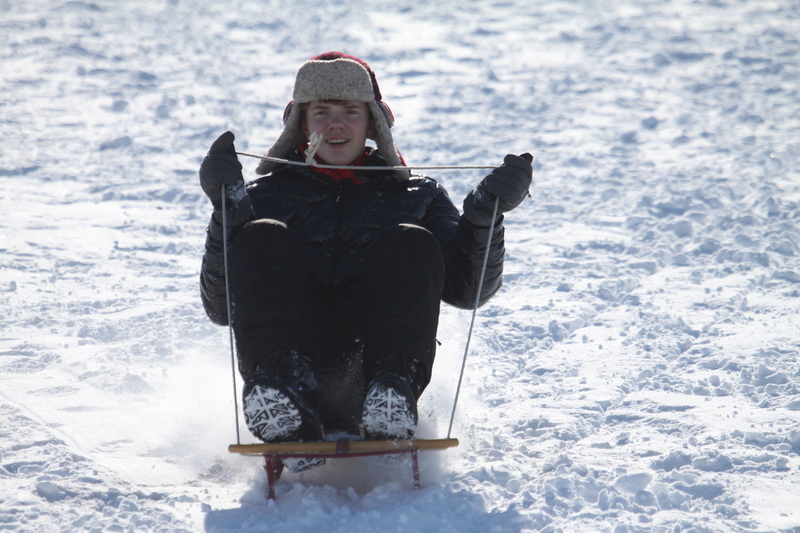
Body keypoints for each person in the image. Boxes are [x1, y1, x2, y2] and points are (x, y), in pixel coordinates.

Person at [198, 52, 531, 471]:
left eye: (350, 112)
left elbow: (468, 291)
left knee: (411, 240)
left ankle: (390, 395)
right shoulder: (263, 197)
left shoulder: (419, 196)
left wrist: (484, 218)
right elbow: (221, 308)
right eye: (321, 112)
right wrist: (227, 211)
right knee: (260, 234)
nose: (335, 124)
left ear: (373, 124)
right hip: (287, 379)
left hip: (378, 378)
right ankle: (287, 405)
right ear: (301, 125)